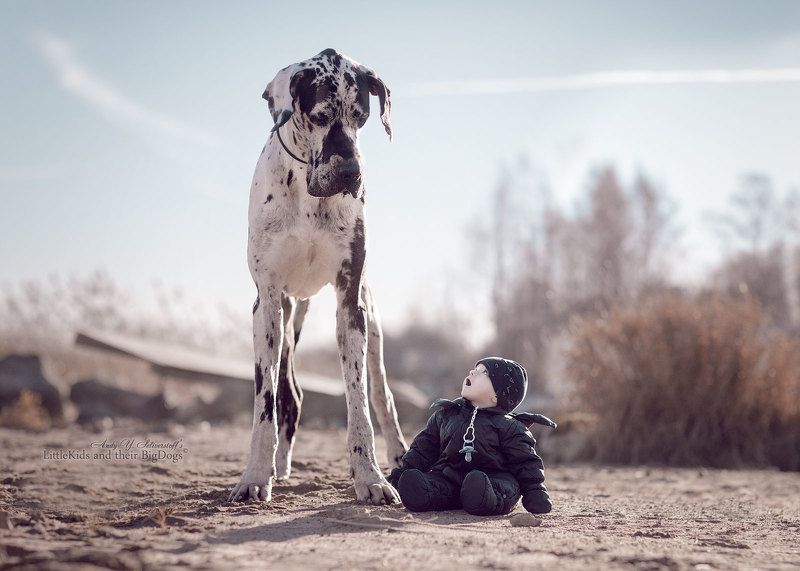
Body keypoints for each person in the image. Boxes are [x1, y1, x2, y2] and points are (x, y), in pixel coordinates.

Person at [387, 357, 556, 516]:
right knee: (425, 483)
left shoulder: (510, 426)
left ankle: (482, 497)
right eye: (475, 369)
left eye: (484, 373)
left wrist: (535, 491)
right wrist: (402, 472)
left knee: (499, 488)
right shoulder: (446, 416)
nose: (473, 372)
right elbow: (424, 448)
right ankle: (421, 492)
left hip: (494, 480)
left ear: (497, 395)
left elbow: (525, 462)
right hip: (449, 478)